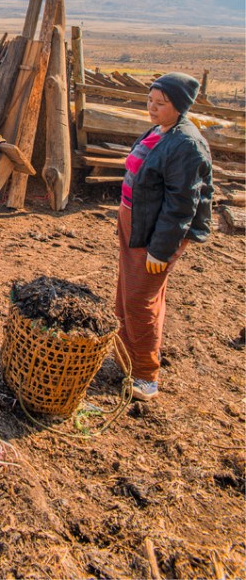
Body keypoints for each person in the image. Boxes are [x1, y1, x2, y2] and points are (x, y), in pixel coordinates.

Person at [115, 72, 213, 400]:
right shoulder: (161, 130)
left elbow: (181, 205)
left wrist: (161, 250)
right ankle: (126, 358)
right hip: (137, 223)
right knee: (127, 293)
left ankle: (145, 376)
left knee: (140, 300)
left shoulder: (187, 144)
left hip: (156, 233)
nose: (152, 109)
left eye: (161, 104)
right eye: (150, 101)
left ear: (180, 107)